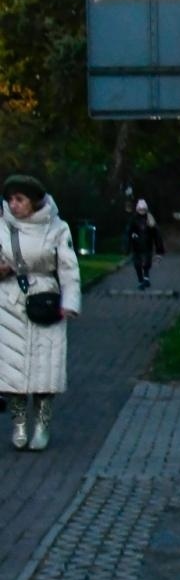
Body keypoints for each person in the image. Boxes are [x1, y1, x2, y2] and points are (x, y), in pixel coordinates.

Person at [0, 175, 81, 451]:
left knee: (45, 368)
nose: (14, 205)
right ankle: (19, 423)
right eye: (10, 199)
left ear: (34, 201)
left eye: (19, 199)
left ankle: (43, 424)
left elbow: (69, 267)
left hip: (45, 299)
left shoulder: (57, 228)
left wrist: (70, 302)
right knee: (11, 369)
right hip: (9, 301)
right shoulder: (2, 226)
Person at [124, 199, 164, 290]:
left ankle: (146, 279)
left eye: (143, 209)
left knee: (146, 263)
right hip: (136, 246)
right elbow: (128, 232)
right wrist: (127, 246)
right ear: (137, 209)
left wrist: (159, 249)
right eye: (140, 209)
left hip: (147, 245)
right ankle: (141, 281)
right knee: (137, 264)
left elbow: (157, 235)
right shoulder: (133, 219)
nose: (142, 211)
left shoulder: (150, 219)